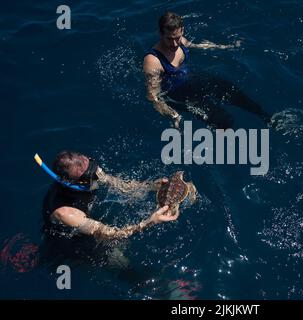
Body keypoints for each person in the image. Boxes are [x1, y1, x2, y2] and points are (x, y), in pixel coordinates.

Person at [35, 151, 177, 266]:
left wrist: (151, 186)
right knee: (121, 262)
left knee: (124, 244)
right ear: (74, 181)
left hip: (85, 219)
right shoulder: (66, 213)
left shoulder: (88, 170)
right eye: (91, 173)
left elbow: (122, 186)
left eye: (92, 164)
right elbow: (110, 234)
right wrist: (150, 222)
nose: (97, 172)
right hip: (72, 242)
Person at [143, 11, 270, 129]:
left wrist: (225, 47)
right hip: (182, 96)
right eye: (169, 39)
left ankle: (270, 120)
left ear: (182, 31)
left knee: (238, 96)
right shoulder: (153, 61)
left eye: (177, 38)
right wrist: (172, 114)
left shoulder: (180, 40)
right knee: (223, 121)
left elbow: (196, 46)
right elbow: (153, 96)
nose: (175, 44)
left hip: (196, 80)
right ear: (160, 34)